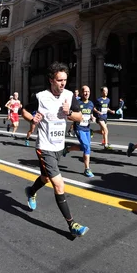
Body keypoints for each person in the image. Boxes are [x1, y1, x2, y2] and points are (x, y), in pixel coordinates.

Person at [22, 62, 89, 237]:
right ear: (51, 80)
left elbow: (80, 116)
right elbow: (24, 111)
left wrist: (69, 113)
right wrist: (33, 119)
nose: (63, 84)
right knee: (59, 184)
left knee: (45, 177)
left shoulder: (68, 95)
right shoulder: (40, 96)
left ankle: (31, 191)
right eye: (59, 80)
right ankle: (72, 224)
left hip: (59, 146)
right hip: (44, 147)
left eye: (65, 80)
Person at [63, 85, 96, 177]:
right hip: (79, 128)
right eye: (85, 91)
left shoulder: (91, 104)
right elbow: (70, 115)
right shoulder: (77, 103)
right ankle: (87, 169)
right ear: (81, 93)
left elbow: (91, 113)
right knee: (86, 147)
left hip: (87, 128)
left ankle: (67, 149)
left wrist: (92, 117)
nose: (87, 93)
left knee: (84, 147)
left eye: (88, 92)